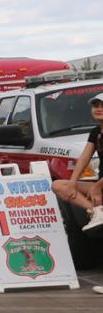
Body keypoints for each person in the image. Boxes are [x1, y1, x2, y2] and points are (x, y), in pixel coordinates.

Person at [52, 92, 103, 232]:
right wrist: (73, 183)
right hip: (100, 185)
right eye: (95, 105)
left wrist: (97, 186)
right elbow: (84, 158)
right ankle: (97, 212)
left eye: (102, 105)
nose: (99, 109)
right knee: (59, 185)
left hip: (100, 185)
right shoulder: (96, 132)